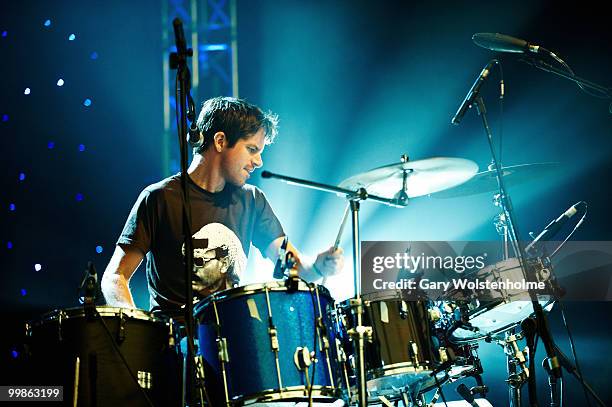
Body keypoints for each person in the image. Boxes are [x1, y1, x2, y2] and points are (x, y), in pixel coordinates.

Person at [101, 96, 344, 310]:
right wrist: (136, 334)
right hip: (173, 348)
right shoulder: (159, 198)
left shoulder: (252, 200)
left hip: (232, 342)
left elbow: (294, 267)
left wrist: (319, 266)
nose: (258, 161)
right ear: (219, 141)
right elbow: (115, 276)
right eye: (251, 149)